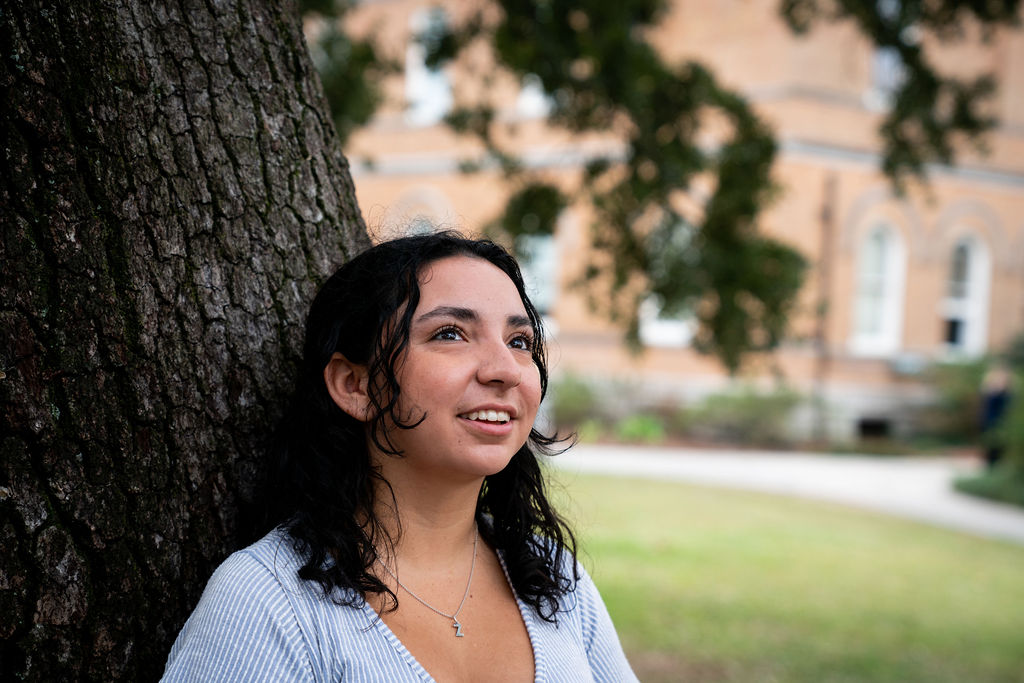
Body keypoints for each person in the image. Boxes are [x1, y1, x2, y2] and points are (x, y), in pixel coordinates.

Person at [161, 232, 638, 682]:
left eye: (519, 342)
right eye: (451, 333)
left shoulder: (552, 575)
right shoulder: (267, 602)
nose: (505, 371)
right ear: (356, 385)